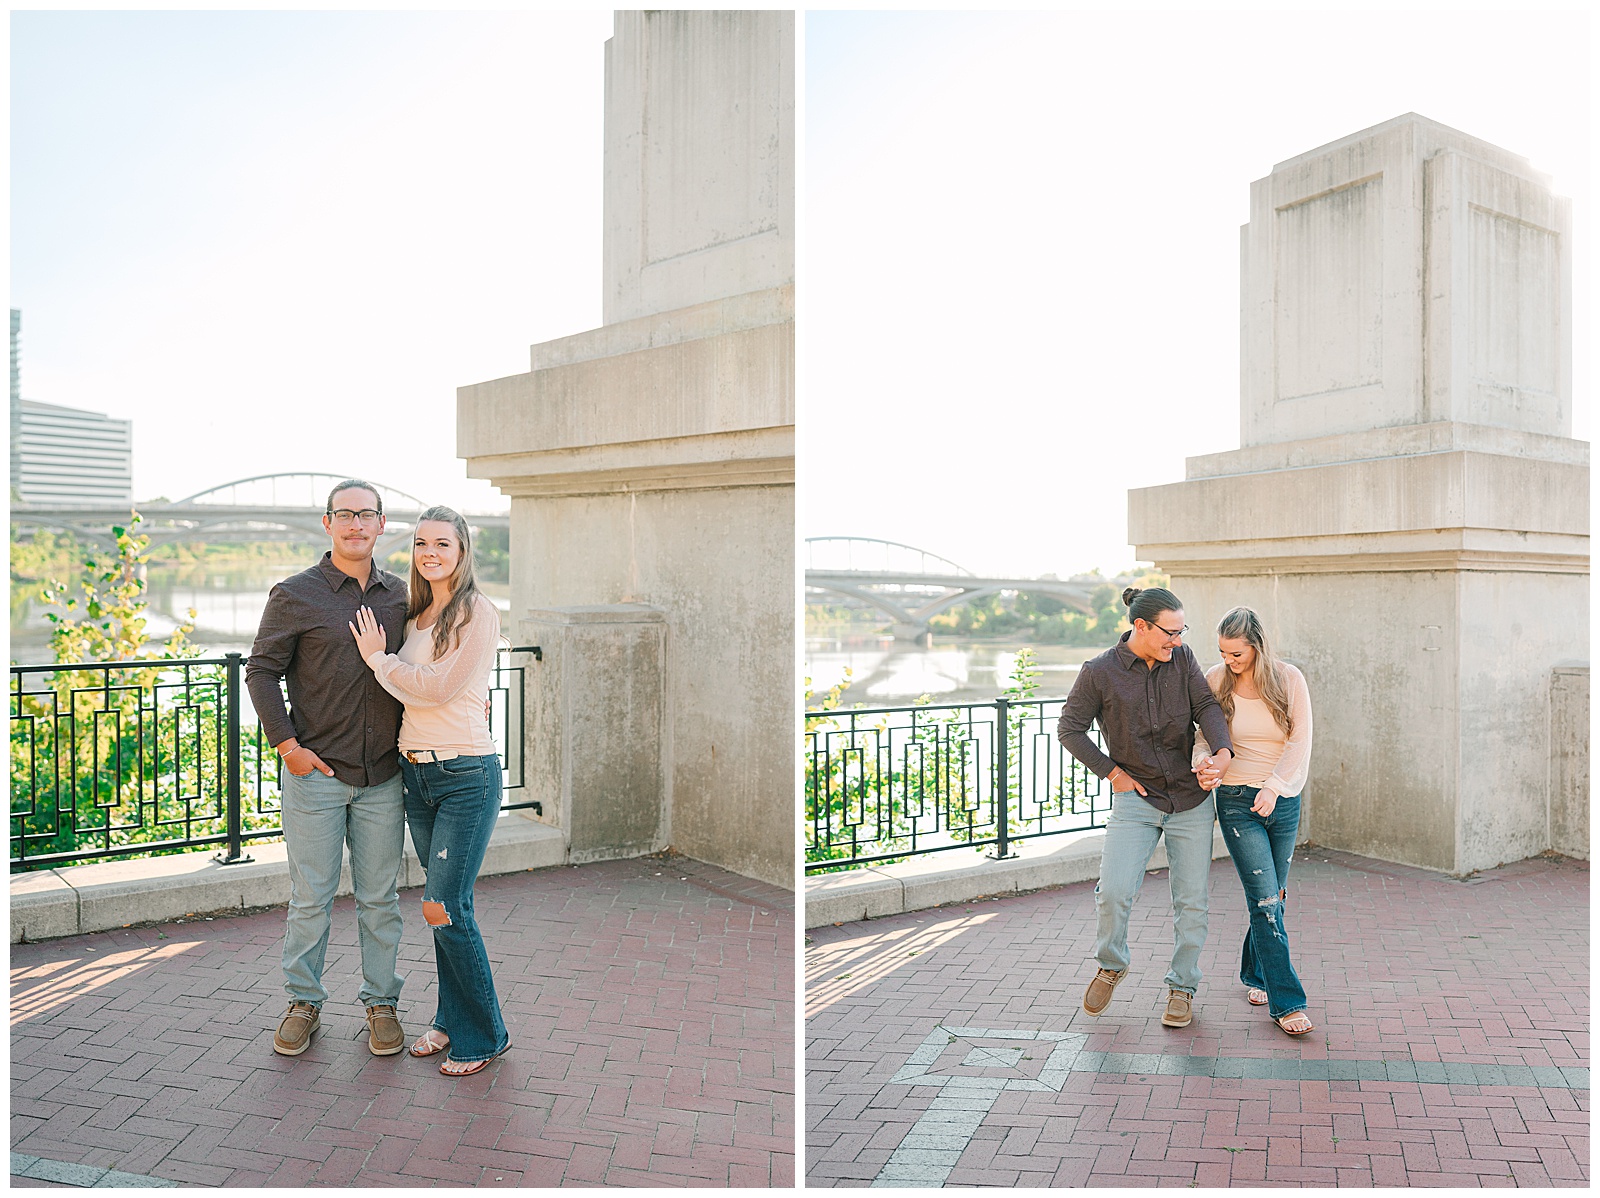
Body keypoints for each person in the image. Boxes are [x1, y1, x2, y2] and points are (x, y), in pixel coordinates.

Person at [246, 480, 409, 1057]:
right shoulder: (295, 594)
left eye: (367, 514)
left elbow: (430, 659)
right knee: (311, 898)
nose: (356, 524)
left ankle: (381, 1003)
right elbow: (261, 672)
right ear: (327, 523)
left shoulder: (401, 596)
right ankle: (303, 1003)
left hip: (385, 777)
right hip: (315, 775)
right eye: (345, 514)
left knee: (380, 899)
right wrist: (287, 747)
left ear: (382, 525)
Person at [350, 504, 511, 1075]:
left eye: (442, 544)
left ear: (462, 551)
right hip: (416, 776)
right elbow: (408, 693)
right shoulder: (416, 616)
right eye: (421, 544)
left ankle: (486, 1034)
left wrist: (378, 661)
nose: (430, 554)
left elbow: (438, 689)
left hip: (465, 774)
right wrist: (389, 666)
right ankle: (449, 1019)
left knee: (444, 906)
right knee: (441, 911)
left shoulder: (476, 612)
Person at [1057, 586, 1234, 1029]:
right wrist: (1112, 773)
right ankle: (1112, 964)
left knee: (1192, 901)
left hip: (1191, 799)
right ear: (1141, 626)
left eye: (1181, 632)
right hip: (1136, 800)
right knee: (1114, 891)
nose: (1177, 641)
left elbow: (1206, 706)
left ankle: (1182, 988)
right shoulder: (1098, 672)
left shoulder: (1184, 659)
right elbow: (1069, 728)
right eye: (1170, 633)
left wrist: (1223, 750)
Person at [1193, 606, 1315, 1036]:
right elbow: (1204, 737)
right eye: (1224, 653)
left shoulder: (1289, 679)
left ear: (1257, 647)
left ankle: (1254, 973)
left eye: (1237, 654)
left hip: (1281, 800)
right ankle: (1288, 1003)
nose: (1229, 661)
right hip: (1235, 801)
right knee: (1264, 901)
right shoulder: (1215, 679)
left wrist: (1275, 786)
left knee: (1274, 896)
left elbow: (1300, 739)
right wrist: (1205, 765)